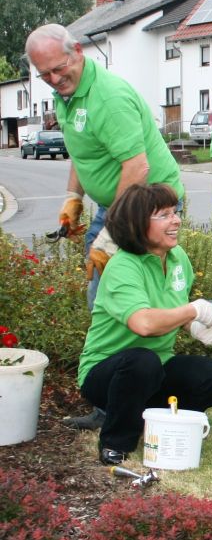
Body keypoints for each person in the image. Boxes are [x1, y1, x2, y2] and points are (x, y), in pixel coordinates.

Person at [26, 23, 184, 430]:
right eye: (44, 75)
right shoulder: (68, 94)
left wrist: (110, 236)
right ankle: (119, 396)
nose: (54, 80)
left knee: (117, 296)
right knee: (103, 299)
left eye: (59, 70)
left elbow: (137, 167)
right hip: (113, 204)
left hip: (144, 206)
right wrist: (73, 197)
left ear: (77, 51)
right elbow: (84, 150)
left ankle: (118, 402)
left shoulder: (108, 97)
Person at [78, 184, 212, 466]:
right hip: (106, 374)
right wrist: (193, 310)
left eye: (175, 213)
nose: (176, 220)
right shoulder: (123, 267)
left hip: (156, 368)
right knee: (142, 361)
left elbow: (175, 306)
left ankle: (166, 424)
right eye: (163, 215)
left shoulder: (178, 259)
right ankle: (116, 443)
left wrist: (194, 326)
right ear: (137, 224)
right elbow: (145, 324)